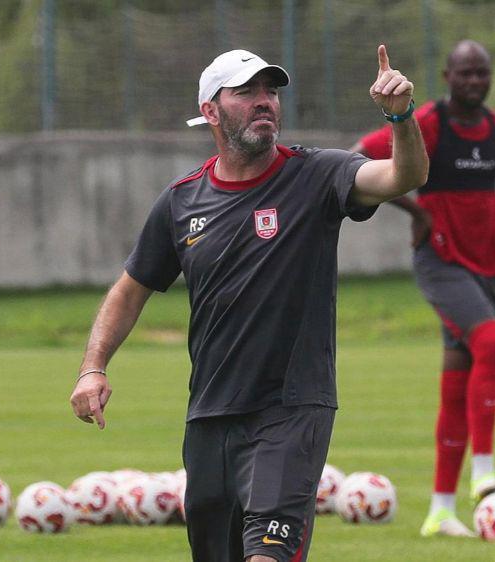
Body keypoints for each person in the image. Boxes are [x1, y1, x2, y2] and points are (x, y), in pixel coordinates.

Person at [70, 46, 427, 561]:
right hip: (210, 416)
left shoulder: (318, 175)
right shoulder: (181, 201)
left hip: (291, 411)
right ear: (211, 111)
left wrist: (400, 116)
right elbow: (129, 290)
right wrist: (92, 367)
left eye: (271, 91)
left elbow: (402, 177)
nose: (265, 101)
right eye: (246, 92)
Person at [350, 39, 495, 538]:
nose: (475, 81)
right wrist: (415, 209)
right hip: (440, 262)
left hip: (485, 265)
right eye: (465, 73)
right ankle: (484, 472)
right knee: (493, 343)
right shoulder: (430, 123)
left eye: (482, 72)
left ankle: (440, 511)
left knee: (458, 381)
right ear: (447, 76)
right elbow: (357, 159)